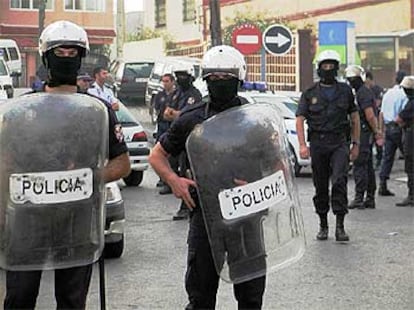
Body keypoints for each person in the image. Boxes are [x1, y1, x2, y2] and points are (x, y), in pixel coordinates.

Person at [3, 20, 130, 309]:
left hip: (76, 220)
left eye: (74, 53)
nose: (67, 58)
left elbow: (122, 164)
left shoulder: (97, 112)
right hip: (27, 219)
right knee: (19, 297)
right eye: (60, 52)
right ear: (46, 56)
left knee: (72, 301)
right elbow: (5, 163)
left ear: (82, 57)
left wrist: (93, 176)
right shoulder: (24, 111)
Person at [149, 45, 266, 309]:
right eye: (214, 77)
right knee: (200, 296)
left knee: (251, 297)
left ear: (239, 78)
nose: (220, 83)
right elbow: (156, 155)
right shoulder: (191, 120)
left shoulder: (253, 119)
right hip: (206, 215)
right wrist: (175, 182)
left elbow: (276, 163)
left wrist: (258, 184)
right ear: (205, 79)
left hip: (247, 214)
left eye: (226, 78)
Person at [296, 50, 360, 242]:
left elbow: (355, 119)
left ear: (337, 68)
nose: (328, 69)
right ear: (319, 68)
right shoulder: (309, 93)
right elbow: (300, 119)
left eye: (332, 66)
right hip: (318, 143)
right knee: (320, 185)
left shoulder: (345, 91)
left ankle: (340, 225)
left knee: (340, 181)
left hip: (339, 142)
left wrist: (355, 144)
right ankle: (323, 225)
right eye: (325, 66)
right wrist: (302, 145)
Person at [158, 62, 202, 221]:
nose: (180, 79)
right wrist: (177, 115)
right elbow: (166, 114)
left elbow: (186, 118)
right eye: (178, 76)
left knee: (189, 173)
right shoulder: (175, 94)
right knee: (174, 168)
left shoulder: (194, 95)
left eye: (183, 75)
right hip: (175, 138)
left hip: (190, 140)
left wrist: (176, 115)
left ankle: (188, 206)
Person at [345, 65, 383, 209]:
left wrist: (377, 131)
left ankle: (360, 197)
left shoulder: (363, 93)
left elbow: (370, 115)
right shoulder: (362, 92)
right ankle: (369, 198)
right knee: (367, 166)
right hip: (366, 132)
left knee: (360, 165)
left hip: (364, 133)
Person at [378, 70, 408, 196]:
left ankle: (382, 184)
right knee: (409, 156)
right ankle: (411, 188)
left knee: (387, 157)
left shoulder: (388, 93)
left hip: (388, 128)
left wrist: (380, 131)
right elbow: (404, 114)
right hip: (400, 128)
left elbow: (381, 113)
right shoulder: (404, 94)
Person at [153, 73, 177, 188]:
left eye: (167, 81)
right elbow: (157, 108)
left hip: (172, 125)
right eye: (163, 81)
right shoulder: (160, 95)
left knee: (170, 154)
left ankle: (170, 178)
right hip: (162, 124)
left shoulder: (176, 94)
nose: (165, 83)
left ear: (172, 82)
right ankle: (161, 178)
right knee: (160, 152)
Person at [395, 75, 414, 206]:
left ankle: (412, 196)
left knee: (410, 167)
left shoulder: (411, 103)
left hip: (411, 137)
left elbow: (399, 119)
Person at [365, 71, 384, 169]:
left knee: (378, 140)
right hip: (369, 118)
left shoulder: (377, 89)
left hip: (377, 116)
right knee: (369, 141)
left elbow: (378, 103)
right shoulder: (365, 91)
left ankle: (380, 159)